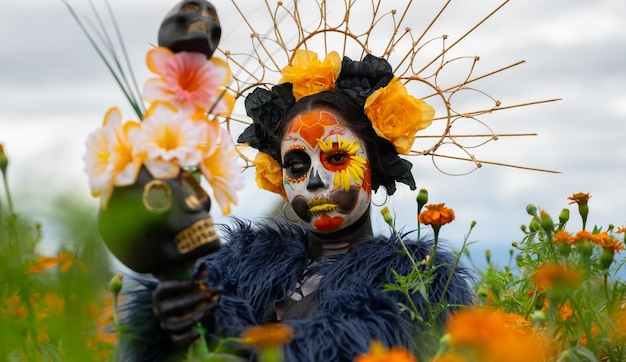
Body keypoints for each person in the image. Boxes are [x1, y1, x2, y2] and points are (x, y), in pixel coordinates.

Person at [117, 53, 475, 362]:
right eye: (297, 166)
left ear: (374, 163)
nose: (315, 180)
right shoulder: (233, 270)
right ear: (280, 178)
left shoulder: (418, 284)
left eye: (336, 157)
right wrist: (170, 326)